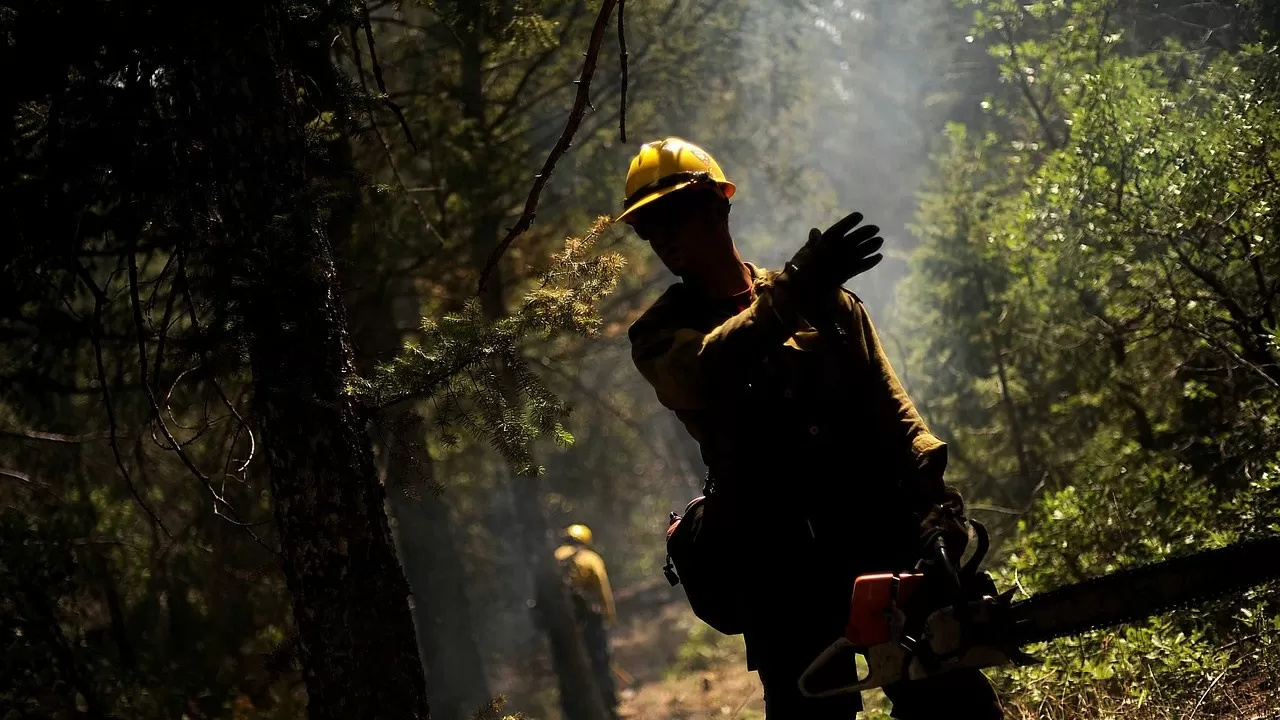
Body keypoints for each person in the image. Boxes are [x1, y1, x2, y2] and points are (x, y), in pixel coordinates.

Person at [618, 137, 1004, 719]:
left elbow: (891, 410)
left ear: (719, 207)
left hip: (877, 533)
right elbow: (700, 373)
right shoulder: (662, 334)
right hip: (776, 563)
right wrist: (793, 291)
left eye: (675, 214)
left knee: (952, 703)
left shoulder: (827, 302)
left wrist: (935, 507)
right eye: (649, 227)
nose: (664, 236)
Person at [554, 523, 619, 720]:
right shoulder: (590, 559)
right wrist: (609, 617)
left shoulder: (554, 558)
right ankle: (609, 706)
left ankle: (571, 712)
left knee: (566, 669)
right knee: (600, 663)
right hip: (590, 623)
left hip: (562, 626)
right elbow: (603, 591)